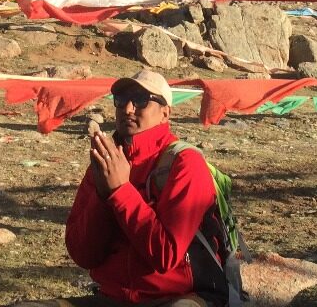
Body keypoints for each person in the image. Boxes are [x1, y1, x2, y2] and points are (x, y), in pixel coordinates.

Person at [14, 70, 218, 307]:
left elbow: (166, 256)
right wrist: (103, 196)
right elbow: (83, 254)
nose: (128, 108)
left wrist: (120, 192)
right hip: (112, 297)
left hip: (177, 297)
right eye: (121, 99)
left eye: (141, 100)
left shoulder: (184, 163)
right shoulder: (105, 163)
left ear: (165, 112)